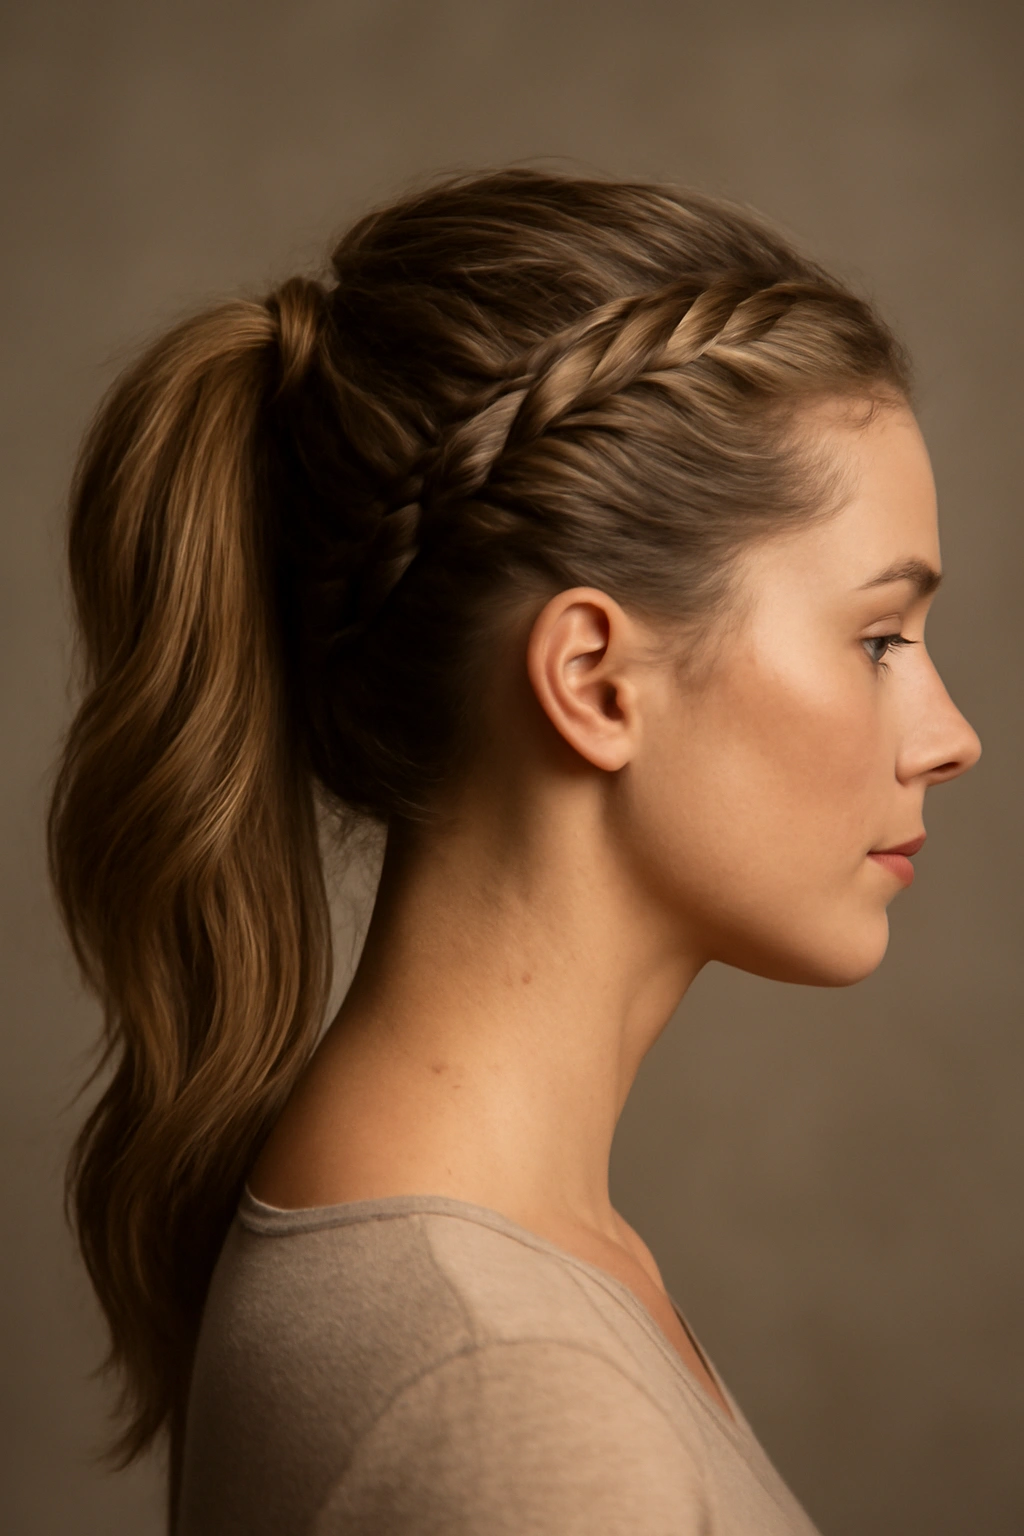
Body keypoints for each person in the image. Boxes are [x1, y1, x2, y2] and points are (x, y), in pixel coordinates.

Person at [48, 168, 980, 1534]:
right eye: (880, 638)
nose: (952, 737)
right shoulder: (515, 1405)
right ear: (597, 682)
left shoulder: (479, 1276)